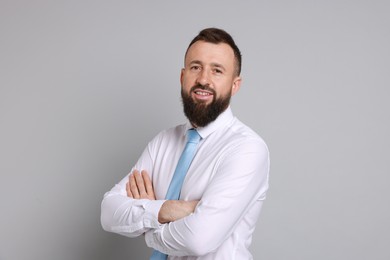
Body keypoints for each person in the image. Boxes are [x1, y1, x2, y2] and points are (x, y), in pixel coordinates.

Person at [101, 27, 270, 259]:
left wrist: (149, 225)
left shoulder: (247, 149)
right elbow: (109, 212)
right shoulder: (163, 142)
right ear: (183, 76)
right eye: (195, 67)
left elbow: (198, 240)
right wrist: (170, 209)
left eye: (217, 70)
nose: (203, 79)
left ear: (235, 85)